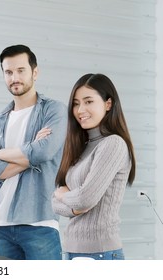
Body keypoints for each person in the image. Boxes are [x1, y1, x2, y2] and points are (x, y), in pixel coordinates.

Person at [0, 44, 67, 260]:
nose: (14, 77)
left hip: (38, 222)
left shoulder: (54, 110)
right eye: (8, 72)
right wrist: (29, 155)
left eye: (20, 70)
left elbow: (44, 152)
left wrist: (0, 154)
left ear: (35, 72)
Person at [52, 73, 136, 260]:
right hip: (72, 250)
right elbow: (55, 203)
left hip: (101, 253)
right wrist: (75, 207)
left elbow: (85, 198)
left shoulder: (113, 144)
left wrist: (64, 195)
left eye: (88, 101)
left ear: (108, 104)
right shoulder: (79, 146)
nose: (81, 109)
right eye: (76, 103)